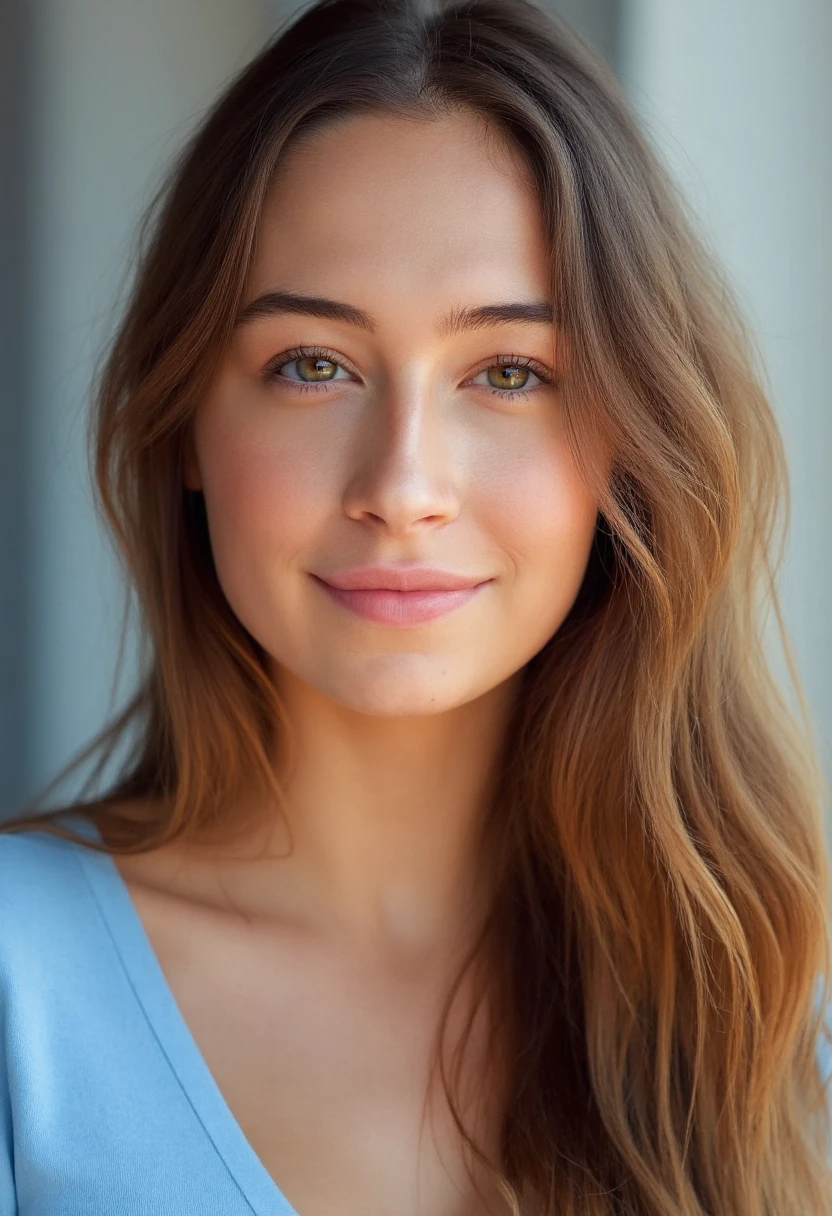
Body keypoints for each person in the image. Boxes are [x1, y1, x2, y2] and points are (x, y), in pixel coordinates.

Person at [1, 0, 830, 1212]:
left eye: (508, 373)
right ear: (186, 426)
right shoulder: (19, 994)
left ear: (630, 446)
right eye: (311, 365)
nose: (401, 488)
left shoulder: (757, 1044)